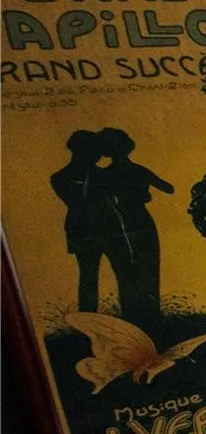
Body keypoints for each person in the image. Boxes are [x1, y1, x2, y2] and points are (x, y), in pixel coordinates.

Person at [95, 128, 174, 330]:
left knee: (130, 271)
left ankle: (136, 318)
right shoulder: (138, 170)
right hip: (138, 220)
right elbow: (167, 187)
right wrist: (143, 193)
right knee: (145, 268)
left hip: (123, 221)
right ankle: (149, 317)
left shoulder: (105, 174)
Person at [50, 130, 114, 312]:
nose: (98, 155)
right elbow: (77, 202)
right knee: (88, 276)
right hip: (82, 230)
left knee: (122, 273)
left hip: (109, 229)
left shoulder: (104, 174)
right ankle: (88, 320)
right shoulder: (60, 177)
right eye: (94, 150)